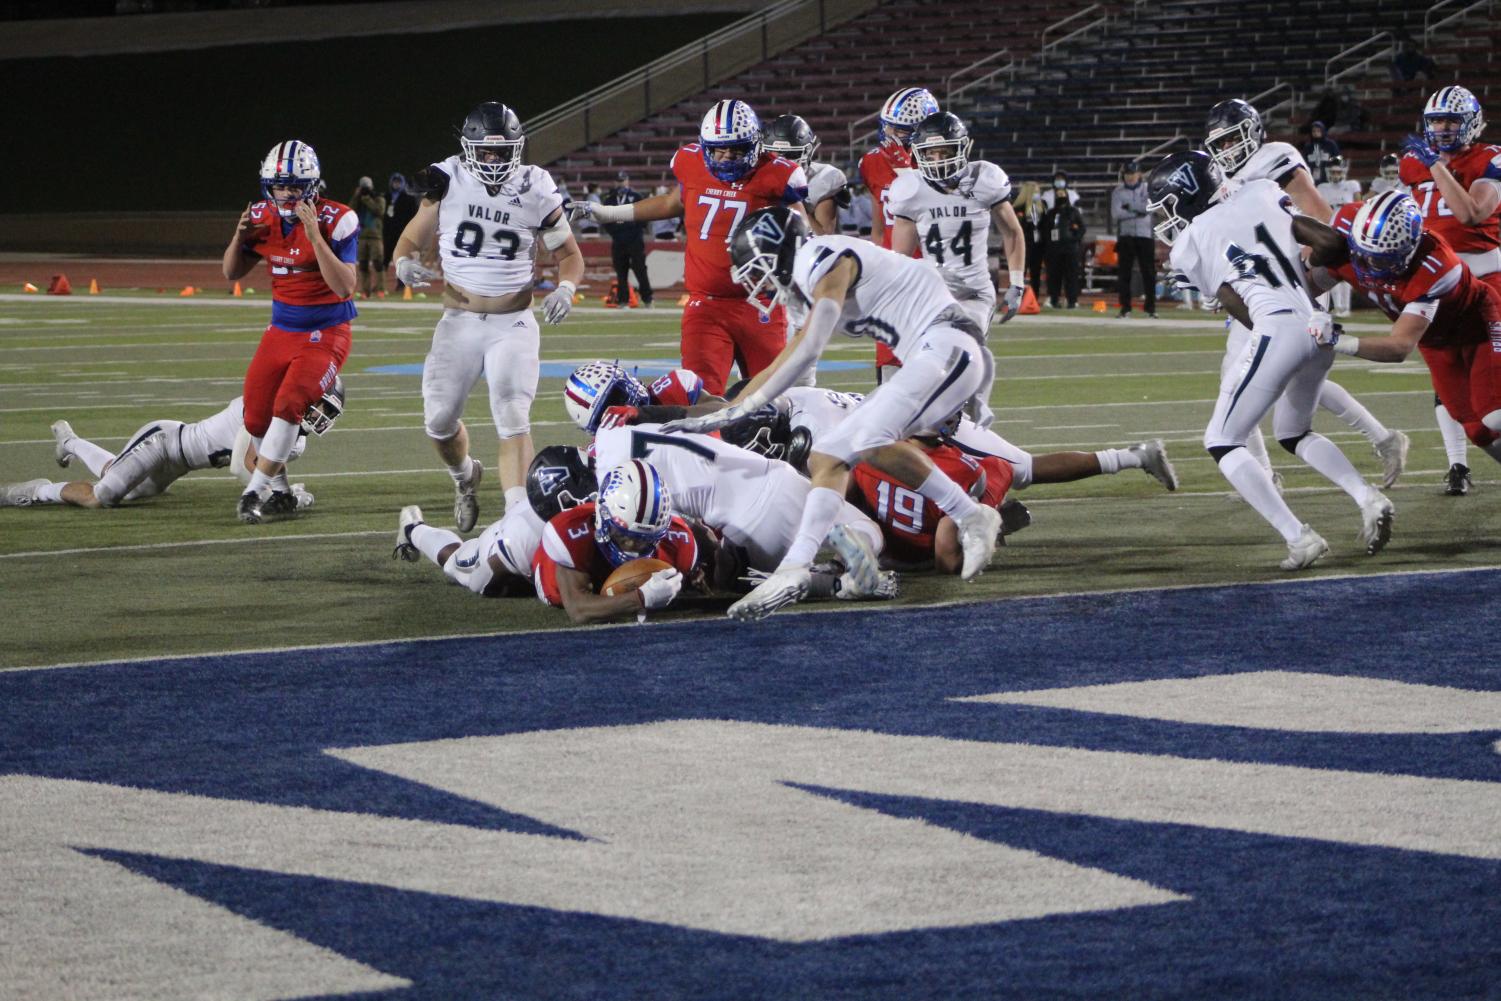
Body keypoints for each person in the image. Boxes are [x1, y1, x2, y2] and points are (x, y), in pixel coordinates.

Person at [660, 206, 1005, 619]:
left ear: (778, 251)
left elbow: (811, 345)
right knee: (849, 450)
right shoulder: (806, 285)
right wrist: (731, 409)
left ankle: (796, 567)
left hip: (948, 346)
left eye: (758, 268)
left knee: (841, 449)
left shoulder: (820, 255)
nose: (757, 283)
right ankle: (968, 515)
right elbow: (791, 361)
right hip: (938, 352)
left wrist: (743, 408)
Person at [1147, 150, 1393, 571]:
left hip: (1278, 328)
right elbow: (1330, 242)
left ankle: (1300, 537)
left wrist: (1248, 301)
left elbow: (1241, 310)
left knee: (1222, 440)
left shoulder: (1188, 242)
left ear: (1185, 195)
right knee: (1293, 432)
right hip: (1319, 324)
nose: (1165, 216)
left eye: (1168, 203)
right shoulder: (1261, 191)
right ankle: (1369, 497)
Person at [391, 100, 584, 533]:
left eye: (502, 151)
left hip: (512, 324)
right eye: (486, 152)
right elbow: (408, 240)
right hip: (458, 323)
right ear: (468, 148)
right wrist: (403, 262)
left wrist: (567, 288)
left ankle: (519, 517)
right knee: (438, 421)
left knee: (512, 414)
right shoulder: (447, 177)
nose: (494, 160)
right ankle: (465, 477)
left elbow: (570, 255)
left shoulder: (536, 186)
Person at [1203, 98, 1409, 490]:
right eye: (1222, 143)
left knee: (1239, 377)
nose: (1229, 149)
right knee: (1292, 380)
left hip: (1292, 283)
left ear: (1253, 131)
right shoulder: (1227, 178)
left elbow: (1319, 217)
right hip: (1263, 286)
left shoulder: (1274, 158)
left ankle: (1263, 475)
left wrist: (1302, 274)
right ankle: (1384, 439)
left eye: (1233, 140)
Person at [571, 99, 809, 396]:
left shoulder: (777, 174)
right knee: (699, 396)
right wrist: (606, 212)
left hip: (761, 303)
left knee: (771, 398)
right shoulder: (691, 162)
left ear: (755, 145)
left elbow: (802, 231)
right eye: (718, 150)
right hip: (705, 304)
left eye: (736, 150)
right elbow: (671, 203)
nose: (726, 158)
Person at [593, 421, 894, 599]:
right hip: (779, 476)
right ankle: (848, 555)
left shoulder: (616, 475)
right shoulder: (626, 431)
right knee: (869, 529)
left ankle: (836, 583)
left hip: (754, 521)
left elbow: (683, 531)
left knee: (735, 582)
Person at [1319, 191, 1501, 476]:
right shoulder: (1346, 225)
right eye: (1363, 254)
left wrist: (1335, 340)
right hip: (1435, 339)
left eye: (1380, 260)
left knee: (1495, 415)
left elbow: (1399, 347)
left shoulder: (1436, 267)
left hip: (1479, 325)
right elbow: (1307, 267)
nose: (1367, 266)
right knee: (1477, 431)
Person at [222, 139, 356, 524]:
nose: (287, 193)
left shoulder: (336, 218)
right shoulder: (262, 216)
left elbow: (345, 287)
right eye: (280, 185)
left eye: (295, 186)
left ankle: (254, 492)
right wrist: (239, 237)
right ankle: (281, 493)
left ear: (312, 186)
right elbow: (231, 273)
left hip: (326, 330)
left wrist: (315, 237)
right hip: (281, 329)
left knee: (289, 403)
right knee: (256, 415)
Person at [1399, 85, 1501, 495]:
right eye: (1435, 121)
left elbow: (1471, 213)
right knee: (1474, 425)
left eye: (1450, 121)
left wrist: (1437, 168)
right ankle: (1458, 462)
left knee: (1493, 410)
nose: (1440, 129)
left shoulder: (1491, 158)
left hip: (1484, 286)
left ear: (1472, 123)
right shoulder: (1411, 164)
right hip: (1433, 289)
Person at [0, 391, 335, 510]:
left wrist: (284, 493)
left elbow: (268, 462)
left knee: (123, 489)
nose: (319, 416)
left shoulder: (298, 441)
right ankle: (33, 491)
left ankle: (69, 441)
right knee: (101, 497)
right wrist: (276, 495)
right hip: (162, 441)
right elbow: (243, 464)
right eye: (319, 406)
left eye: (327, 412)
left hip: (179, 464)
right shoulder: (261, 406)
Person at [889, 111, 1028, 330]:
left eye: (944, 153)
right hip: (931, 292)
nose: (938, 161)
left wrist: (1017, 283)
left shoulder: (984, 179)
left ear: (962, 149)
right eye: (930, 154)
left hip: (975, 292)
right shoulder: (910, 190)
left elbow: (1012, 233)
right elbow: (900, 257)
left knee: (960, 347)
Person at [391, 445, 580, 599]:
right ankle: (412, 528)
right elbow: (479, 582)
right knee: (455, 562)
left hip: (525, 513)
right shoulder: (524, 537)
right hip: (494, 547)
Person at [530, 460, 703, 624]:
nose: (631, 547)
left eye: (643, 540)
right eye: (624, 536)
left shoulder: (680, 542)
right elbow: (578, 609)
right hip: (535, 551)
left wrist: (698, 572)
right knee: (514, 540)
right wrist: (641, 598)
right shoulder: (570, 534)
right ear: (602, 516)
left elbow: (703, 541)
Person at [861, 88, 938, 380]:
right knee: (890, 366)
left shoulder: (940, 164)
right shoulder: (871, 163)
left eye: (901, 130)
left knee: (933, 365)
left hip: (931, 274)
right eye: (889, 127)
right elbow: (879, 226)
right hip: (893, 275)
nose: (892, 135)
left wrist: (906, 171)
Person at [764, 114, 848, 236]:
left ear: (807, 151)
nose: (783, 162)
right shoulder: (758, 177)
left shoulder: (823, 178)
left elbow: (823, 238)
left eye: (790, 155)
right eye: (775, 155)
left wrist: (792, 201)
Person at [1315, 156, 1362, 316]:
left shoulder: (1352, 185)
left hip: (1348, 231)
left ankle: (1346, 308)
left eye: (1337, 171)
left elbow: (1359, 206)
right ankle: (1338, 307)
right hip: (1330, 231)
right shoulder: (1322, 187)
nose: (1335, 174)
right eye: (1332, 172)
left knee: (1346, 269)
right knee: (1332, 269)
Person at [1111, 160, 1156, 318]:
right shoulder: (1118, 191)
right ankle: (1125, 308)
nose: (1130, 177)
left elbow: (1149, 208)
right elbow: (1116, 214)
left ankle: (1151, 308)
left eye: (1133, 173)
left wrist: (1129, 207)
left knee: (1149, 273)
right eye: (1128, 174)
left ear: (1139, 174)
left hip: (1145, 235)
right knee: (1124, 274)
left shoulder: (1147, 189)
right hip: (1126, 236)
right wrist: (1138, 212)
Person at [603, 170, 652, 308]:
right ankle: (623, 300)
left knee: (640, 269)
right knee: (621, 271)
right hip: (618, 240)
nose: (620, 183)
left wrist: (635, 229)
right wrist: (615, 232)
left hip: (635, 239)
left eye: (622, 181)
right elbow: (605, 220)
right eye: (618, 181)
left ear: (627, 181)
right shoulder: (610, 198)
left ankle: (647, 298)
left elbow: (645, 215)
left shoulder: (636, 196)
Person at [1040, 184, 1086, 308]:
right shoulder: (1051, 213)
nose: (1060, 197)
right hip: (1054, 249)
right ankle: (1054, 299)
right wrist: (1049, 242)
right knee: (1054, 275)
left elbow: (1082, 228)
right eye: (1058, 194)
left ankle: (1072, 300)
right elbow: (1045, 229)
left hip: (1070, 249)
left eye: (1062, 194)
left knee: (1071, 275)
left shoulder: (1073, 211)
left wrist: (1074, 238)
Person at [350, 176, 387, 299]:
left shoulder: (378, 198)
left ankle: (380, 289)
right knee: (363, 264)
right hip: (361, 235)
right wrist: (356, 197)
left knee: (378, 263)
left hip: (375, 235)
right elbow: (350, 211)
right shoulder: (358, 199)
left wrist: (367, 199)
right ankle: (366, 291)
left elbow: (380, 211)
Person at [383, 173, 419, 288]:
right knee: (385, 257)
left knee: (401, 258)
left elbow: (414, 216)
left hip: (402, 233)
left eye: (399, 182)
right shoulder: (386, 196)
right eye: (395, 182)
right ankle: (381, 285)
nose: (396, 184)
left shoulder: (409, 198)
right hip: (388, 232)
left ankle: (401, 284)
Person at [1014, 180, 1046, 298]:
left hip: (1037, 245)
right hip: (1022, 245)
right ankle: (1017, 298)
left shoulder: (1041, 208)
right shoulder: (1018, 209)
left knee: (1035, 273)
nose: (1038, 194)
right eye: (1036, 192)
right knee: (1020, 273)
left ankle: (1033, 298)